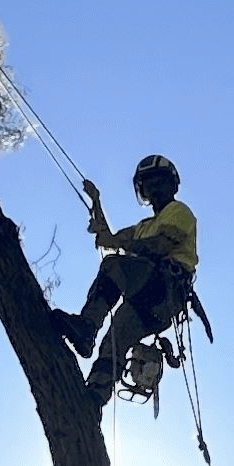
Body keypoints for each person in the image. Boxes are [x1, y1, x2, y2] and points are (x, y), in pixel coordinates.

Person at [60, 155, 198, 400]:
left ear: (171, 184)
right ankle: (95, 397)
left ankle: (87, 326)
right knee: (115, 338)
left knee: (113, 266)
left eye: (158, 181)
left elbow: (158, 246)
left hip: (164, 287)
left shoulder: (179, 211)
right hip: (152, 303)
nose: (153, 188)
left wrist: (117, 242)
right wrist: (96, 202)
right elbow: (110, 238)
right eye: (148, 183)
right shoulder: (143, 226)